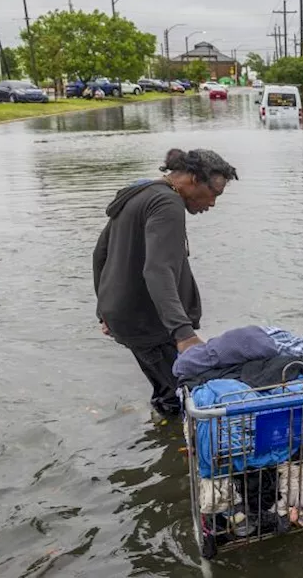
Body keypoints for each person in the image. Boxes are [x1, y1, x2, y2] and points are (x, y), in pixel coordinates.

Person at [93, 148, 240, 417]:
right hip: (149, 323)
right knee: (186, 397)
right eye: (214, 193)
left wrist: (104, 310)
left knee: (167, 391)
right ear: (194, 179)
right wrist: (183, 334)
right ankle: (181, 448)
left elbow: (100, 253)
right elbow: (158, 270)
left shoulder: (139, 194)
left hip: (127, 318)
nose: (212, 203)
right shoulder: (167, 203)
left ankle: (164, 445)